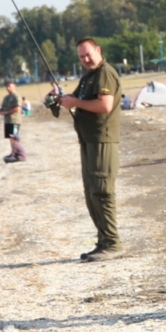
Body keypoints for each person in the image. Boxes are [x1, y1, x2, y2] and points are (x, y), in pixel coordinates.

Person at [58, 38, 123, 262]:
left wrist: (74, 104)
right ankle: (103, 242)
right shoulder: (89, 77)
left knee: (102, 191)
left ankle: (112, 244)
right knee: (91, 193)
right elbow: (76, 99)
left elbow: (104, 105)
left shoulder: (105, 73)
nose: (86, 60)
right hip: (88, 141)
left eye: (88, 54)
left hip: (102, 141)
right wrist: (63, 98)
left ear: (98, 50)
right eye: (81, 57)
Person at [0, 81, 21, 154]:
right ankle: (13, 152)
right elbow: (3, 108)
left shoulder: (16, 96)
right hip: (7, 121)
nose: (7, 88)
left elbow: (17, 108)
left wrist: (6, 113)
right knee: (10, 138)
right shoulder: (6, 97)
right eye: (6, 86)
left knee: (14, 138)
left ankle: (17, 153)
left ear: (14, 87)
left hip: (14, 120)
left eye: (9, 86)